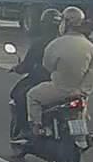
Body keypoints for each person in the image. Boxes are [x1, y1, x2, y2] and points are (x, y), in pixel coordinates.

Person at [27, 6, 93, 137]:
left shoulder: (56, 44)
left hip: (59, 88)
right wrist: (84, 89)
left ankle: (37, 127)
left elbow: (48, 66)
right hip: (81, 93)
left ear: (66, 23)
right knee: (81, 114)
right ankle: (81, 134)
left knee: (32, 96)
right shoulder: (90, 46)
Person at [10, 8, 61, 143]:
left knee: (19, 95)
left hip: (41, 81)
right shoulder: (63, 42)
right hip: (67, 82)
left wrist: (17, 68)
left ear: (44, 24)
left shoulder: (40, 43)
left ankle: (25, 129)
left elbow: (27, 64)